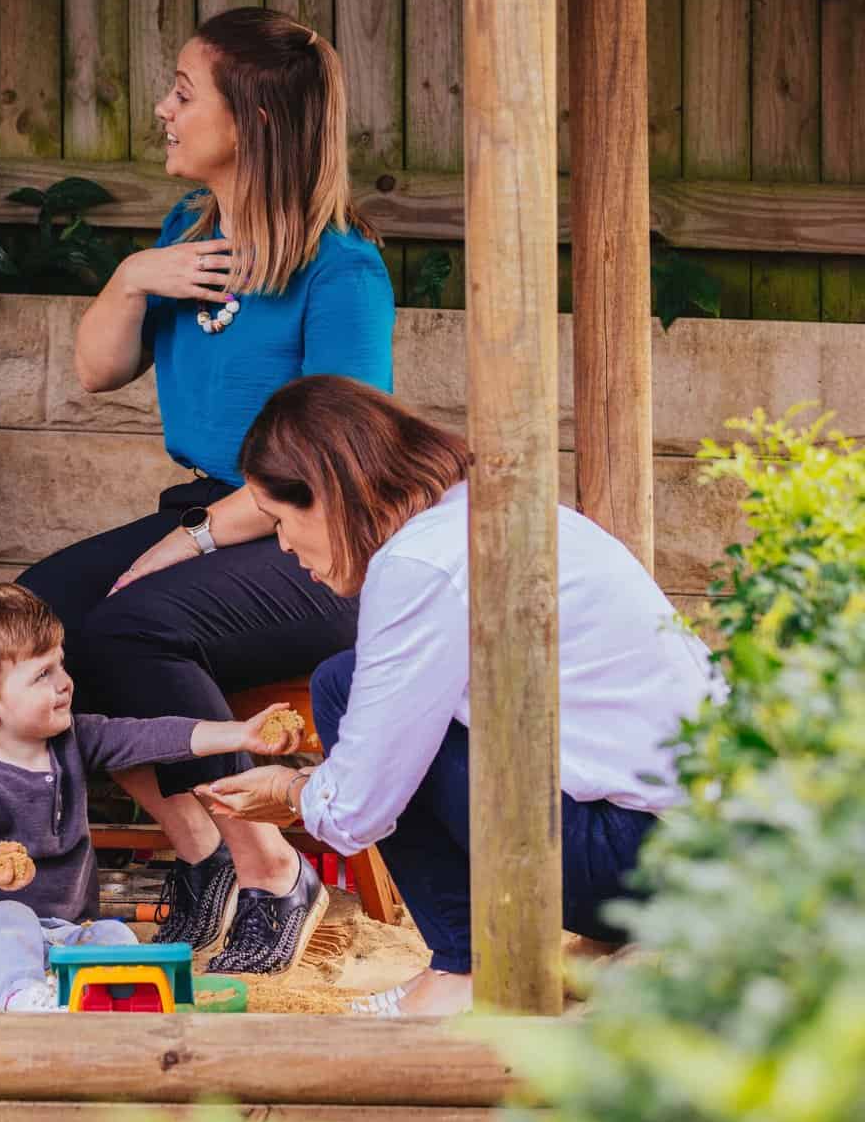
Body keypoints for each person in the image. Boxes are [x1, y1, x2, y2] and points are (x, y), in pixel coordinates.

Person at [18, 7, 393, 971]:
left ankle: (272, 867)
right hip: (206, 508)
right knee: (26, 627)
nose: (162, 110)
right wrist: (134, 276)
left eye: (185, 94)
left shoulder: (339, 268)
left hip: (318, 541)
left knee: (125, 627)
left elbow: (333, 458)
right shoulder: (188, 236)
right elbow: (96, 371)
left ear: (255, 119)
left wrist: (190, 544)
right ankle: (200, 851)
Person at [200, 375, 724, 1016]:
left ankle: (465, 967)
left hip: (639, 862)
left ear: (329, 496)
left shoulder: (419, 563)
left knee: (340, 684)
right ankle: (566, 951)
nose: (282, 545)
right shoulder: (496, 513)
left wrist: (287, 791)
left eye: (281, 520)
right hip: (700, 847)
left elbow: (356, 809)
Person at [0, 584, 305, 1010]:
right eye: (42, 675)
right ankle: (23, 1000)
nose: (65, 683)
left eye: (60, 665)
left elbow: (153, 736)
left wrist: (239, 733)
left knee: (114, 935)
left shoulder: (74, 739)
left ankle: (99, 996)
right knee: (11, 920)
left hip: (59, 933)